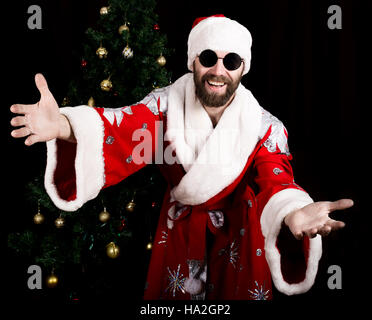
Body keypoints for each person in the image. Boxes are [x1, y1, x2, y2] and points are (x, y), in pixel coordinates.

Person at [10, 15, 353, 300]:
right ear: (193, 61)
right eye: (208, 58)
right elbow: (122, 128)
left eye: (230, 61)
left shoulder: (266, 128)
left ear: (243, 68)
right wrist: (64, 125)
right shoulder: (163, 108)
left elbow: (275, 177)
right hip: (178, 230)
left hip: (242, 236)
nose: (218, 70)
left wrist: (292, 212)